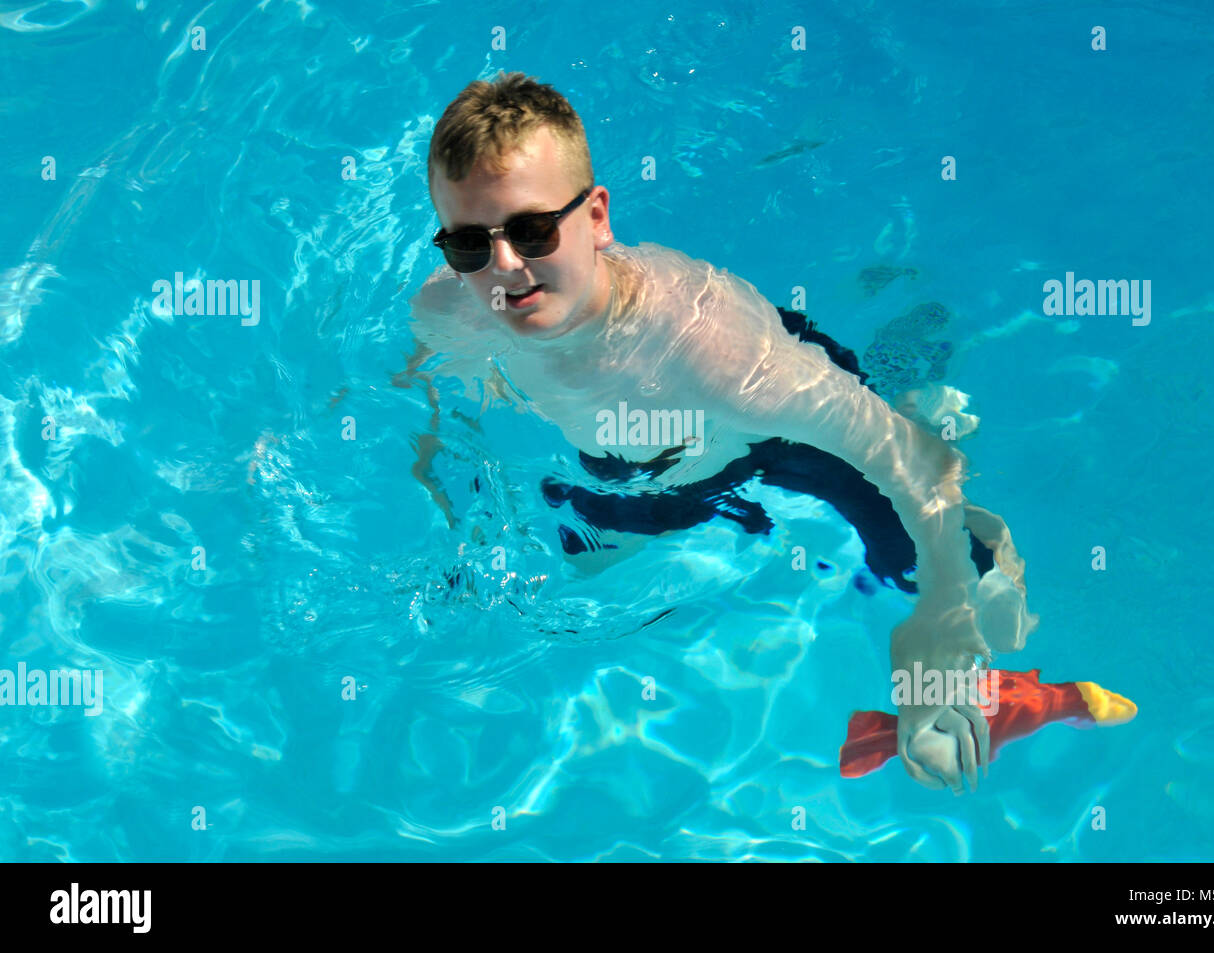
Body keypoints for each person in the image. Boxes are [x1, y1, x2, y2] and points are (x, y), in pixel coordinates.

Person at [408, 71, 1038, 794]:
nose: (504, 270)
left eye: (531, 229)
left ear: (597, 217)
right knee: (577, 579)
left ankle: (916, 394)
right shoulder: (451, 308)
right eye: (467, 244)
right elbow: (421, 397)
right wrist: (437, 497)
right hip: (639, 459)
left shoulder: (717, 355)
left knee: (949, 567)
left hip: (766, 434)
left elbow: (921, 466)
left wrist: (940, 624)